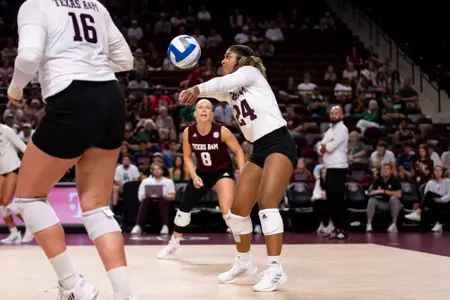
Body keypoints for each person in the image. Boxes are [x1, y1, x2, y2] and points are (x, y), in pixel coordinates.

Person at [7, 1, 135, 299]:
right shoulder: (96, 6)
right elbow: (126, 60)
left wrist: (15, 89)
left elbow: (28, 57)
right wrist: (90, 63)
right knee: (97, 206)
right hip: (111, 97)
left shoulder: (35, 5)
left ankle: (73, 286)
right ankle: (124, 294)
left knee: (29, 197)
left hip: (72, 97)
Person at [179, 45, 297, 292]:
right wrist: (194, 89)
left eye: (227, 56)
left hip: (279, 143)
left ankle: (275, 269)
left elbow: (220, 84)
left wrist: (197, 88)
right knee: (237, 212)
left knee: (267, 203)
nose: (223, 60)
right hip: (259, 148)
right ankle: (244, 263)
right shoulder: (232, 89)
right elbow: (218, 91)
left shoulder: (252, 73)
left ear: (242, 60)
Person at [156, 99, 245, 259]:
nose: (204, 110)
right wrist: (194, 175)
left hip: (222, 171)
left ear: (212, 113)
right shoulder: (188, 133)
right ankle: (174, 245)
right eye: (200, 107)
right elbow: (188, 157)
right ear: (195, 113)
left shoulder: (222, 131)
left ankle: (243, 254)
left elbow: (238, 150)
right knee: (184, 208)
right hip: (202, 172)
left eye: (208, 107)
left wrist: (242, 170)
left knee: (227, 210)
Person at [318, 106, 349, 239]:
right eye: (332, 113)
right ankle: (335, 228)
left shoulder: (342, 129)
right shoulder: (330, 130)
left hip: (339, 168)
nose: (333, 115)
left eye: (336, 113)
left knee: (338, 200)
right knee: (330, 200)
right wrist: (324, 146)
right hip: (329, 168)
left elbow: (329, 147)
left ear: (342, 115)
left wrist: (325, 145)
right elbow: (320, 147)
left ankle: (342, 228)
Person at [0, 123, 34, 244]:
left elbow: (22, 147)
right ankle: (14, 233)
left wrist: (32, 165)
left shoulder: (6, 130)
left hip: (12, 167)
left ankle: (31, 226)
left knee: (7, 201)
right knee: (1, 203)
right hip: (1, 170)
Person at [405, 165, 450, 232]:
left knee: (429, 193)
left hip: (446, 202)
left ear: (442, 172)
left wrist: (441, 200)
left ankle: (418, 212)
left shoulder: (447, 181)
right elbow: (426, 198)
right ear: (433, 172)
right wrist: (435, 200)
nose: (438, 172)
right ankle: (438, 224)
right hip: (434, 203)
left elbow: (449, 195)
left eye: (440, 170)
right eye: (436, 170)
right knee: (429, 197)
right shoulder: (430, 182)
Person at [366, 163, 402, 233]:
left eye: (387, 168)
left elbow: (399, 194)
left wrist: (384, 191)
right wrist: (372, 193)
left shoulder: (395, 180)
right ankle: (369, 224)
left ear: (391, 171)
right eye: (383, 168)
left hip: (393, 204)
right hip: (381, 202)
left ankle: (394, 225)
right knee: (371, 200)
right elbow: (373, 191)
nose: (385, 170)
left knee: (393, 199)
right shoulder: (378, 180)